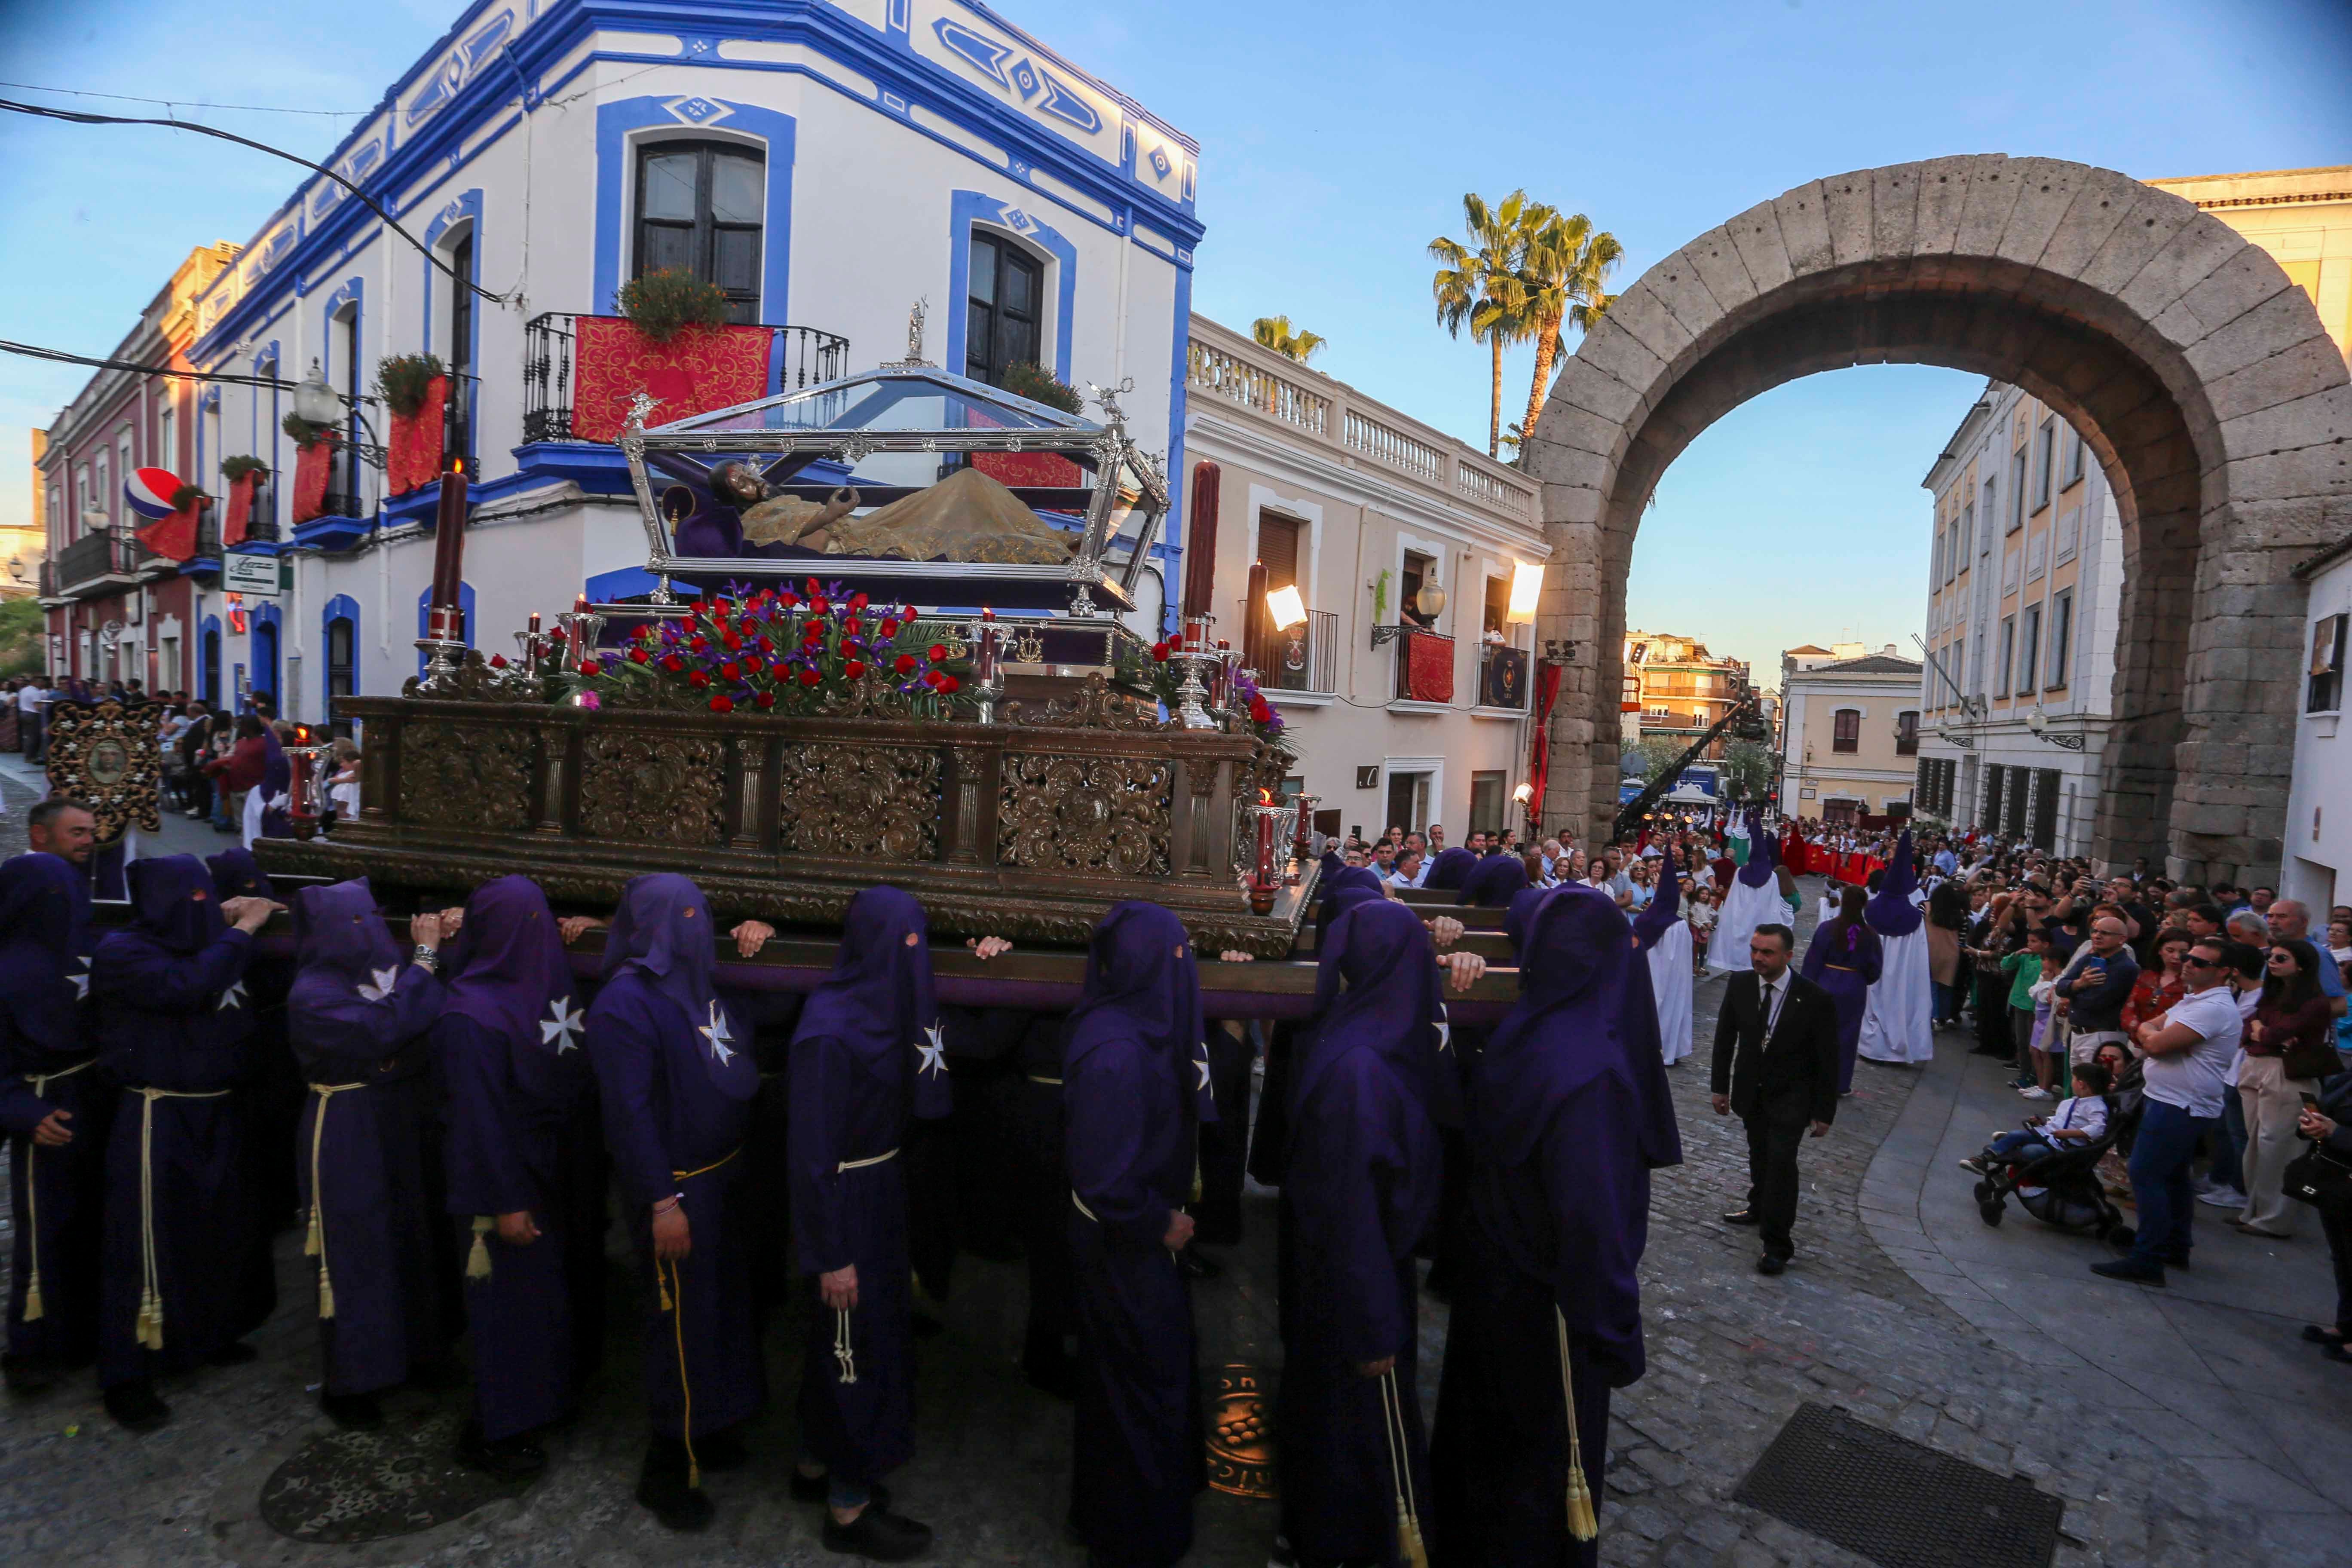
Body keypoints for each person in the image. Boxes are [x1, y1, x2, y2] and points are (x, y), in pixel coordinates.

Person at [1432, 885, 1680, 1568]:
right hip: (1552, 1318)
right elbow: (1590, 1221)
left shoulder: (1521, 1035)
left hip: (1493, 1294)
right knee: (1535, 1488)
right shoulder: (1593, 1074)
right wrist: (1616, 1334)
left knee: (1485, 1461)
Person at [585, 874, 765, 1531]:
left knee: (717, 1316)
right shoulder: (623, 1005)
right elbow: (629, 1118)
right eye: (682, 915)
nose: (695, 925)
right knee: (679, 1328)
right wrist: (662, 1203)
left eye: (703, 913)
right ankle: (668, 1466)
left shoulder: (700, 983)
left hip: (721, 1182)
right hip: (678, 1193)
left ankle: (710, 1426)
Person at [1278, 898, 1454, 1568]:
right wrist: (1376, 1324)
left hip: (1350, 1271)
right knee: (1355, 1440)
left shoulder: (1354, 1034)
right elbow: (1352, 1205)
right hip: (1360, 1281)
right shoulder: (1361, 1069)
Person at [787, 888, 957, 1561]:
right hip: (846, 1201)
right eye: (907, 943)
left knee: (862, 1334)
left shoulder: (882, 1012)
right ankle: (849, 1508)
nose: (918, 959)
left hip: (878, 1185)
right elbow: (811, 1159)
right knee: (852, 1344)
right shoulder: (828, 1033)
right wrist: (831, 1254)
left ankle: (813, 1464)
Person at [91, 854, 276, 1430]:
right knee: (144, 1243)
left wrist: (220, 921)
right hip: (158, 1116)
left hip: (216, 1110)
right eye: (191, 901)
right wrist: (242, 929)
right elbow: (185, 983)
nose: (202, 909)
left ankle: (205, 1334)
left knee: (213, 1231)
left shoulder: (199, 937)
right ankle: (127, 1374)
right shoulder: (123, 953)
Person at [1064, 902, 1216, 1568]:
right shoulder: (1117, 1052)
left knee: (1130, 1384)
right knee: (1138, 1388)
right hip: (1124, 1246)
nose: (1188, 967)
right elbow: (1104, 1177)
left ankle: (1117, 1512)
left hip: (1132, 1241)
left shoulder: (1132, 1026)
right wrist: (1163, 1221)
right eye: (1179, 955)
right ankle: (1132, 1540)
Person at [435, 875, 600, 1479]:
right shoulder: (470, 1017)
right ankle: (491, 1431)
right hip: (502, 1185)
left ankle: (537, 1407)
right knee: (503, 1311)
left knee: (540, 1303)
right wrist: (506, 1202)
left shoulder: (537, 991)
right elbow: (478, 1123)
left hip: (543, 1166)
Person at [285, 880, 450, 1429]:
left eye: (372, 919)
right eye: (355, 923)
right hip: (346, 1128)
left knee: (408, 1237)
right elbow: (385, 1027)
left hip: (393, 1120)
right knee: (355, 1252)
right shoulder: (312, 992)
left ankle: (416, 1354)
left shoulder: (376, 968)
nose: (370, 931)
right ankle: (352, 1381)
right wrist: (425, 960)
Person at [0, 823, 108, 1395]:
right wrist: (20, 1112)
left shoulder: (84, 950)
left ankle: (83, 1332)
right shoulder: (6, 974)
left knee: (93, 1222)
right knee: (46, 1232)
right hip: (46, 1111)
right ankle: (31, 1344)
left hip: (91, 1098)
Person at [2094, 937, 2243, 1285]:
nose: (2188, 964)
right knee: (2173, 1177)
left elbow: (2157, 1043)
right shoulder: (2195, 1000)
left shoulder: (2213, 1008)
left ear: (2224, 972)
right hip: (2170, 1097)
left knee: (2147, 1175)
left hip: (2182, 1103)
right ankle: (2174, 1246)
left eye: (2200, 963)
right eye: (2189, 957)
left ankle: (2148, 1259)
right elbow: (2147, 1026)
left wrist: (2151, 1033)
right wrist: (2150, 1032)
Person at [1711, 924, 1841, 1274]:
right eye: (1754, 949)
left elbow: (1829, 1061)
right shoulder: (1740, 985)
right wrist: (1719, 1087)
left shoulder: (1815, 999)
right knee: (1759, 1153)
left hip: (1793, 1097)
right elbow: (1725, 1039)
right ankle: (1758, 1205)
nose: (1758, 958)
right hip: (1750, 1091)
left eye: (1767, 952)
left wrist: (1824, 1111)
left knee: (1782, 1162)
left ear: (1787, 956)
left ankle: (1777, 1244)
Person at [2234, 938, 2336, 1240]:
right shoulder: (2272, 993)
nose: (2273, 962)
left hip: (2289, 1073)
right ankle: (2253, 1210)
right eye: (2272, 958)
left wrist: (2264, 1033)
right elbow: (2249, 1027)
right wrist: (2263, 1033)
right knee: (2254, 1143)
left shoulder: (2315, 1001)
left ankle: (2274, 1219)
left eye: (2282, 958)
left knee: (2278, 1146)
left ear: (2301, 965)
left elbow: (2279, 1032)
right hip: (2256, 1066)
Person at [1856, 830, 1933, 1069]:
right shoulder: (1915, 918)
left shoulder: (1868, 909)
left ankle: (1871, 1046)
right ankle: (1896, 1048)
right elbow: (1919, 955)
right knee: (1899, 1002)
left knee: (1872, 1003)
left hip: (1873, 966)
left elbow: (1856, 938)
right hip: (1902, 972)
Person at [1799, 885, 1881, 1096]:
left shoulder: (1827, 929)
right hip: (1854, 987)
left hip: (1826, 982)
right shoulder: (1871, 935)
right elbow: (1875, 969)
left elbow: (1813, 960)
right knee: (1847, 1035)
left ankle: (1812, 1076)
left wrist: (1807, 986)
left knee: (1818, 1030)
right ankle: (1840, 1083)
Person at [1960, 1061, 2111, 1175]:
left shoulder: (2096, 1107)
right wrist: (2045, 1121)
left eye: (2073, 1079)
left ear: (2081, 1084)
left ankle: (2006, 1152)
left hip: (2064, 1146)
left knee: (2030, 1151)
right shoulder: (2071, 1102)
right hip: (2048, 1136)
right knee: (2017, 1135)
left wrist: (2070, 1134)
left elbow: (2098, 1128)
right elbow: (2060, 1119)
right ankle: (1983, 1160)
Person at [2297, 1081, 2352, 1362]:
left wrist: (2336, 1131)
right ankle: (2346, 1325)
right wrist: (2312, 1123)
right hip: (2336, 1178)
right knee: (2343, 1257)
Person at [1639, 850, 1695, 1066]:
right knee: (1670, 1008)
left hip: (1648, 975)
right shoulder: (1679, 927)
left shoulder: (1644, 920)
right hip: (1672, 978)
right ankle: (1667, 1049)